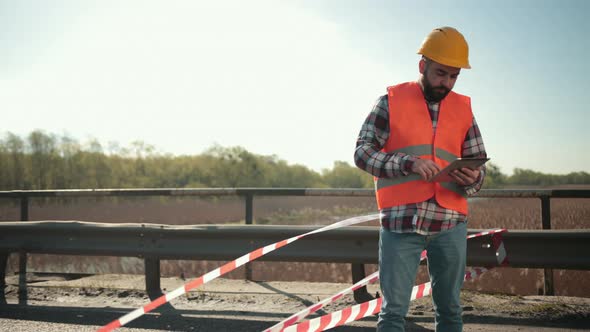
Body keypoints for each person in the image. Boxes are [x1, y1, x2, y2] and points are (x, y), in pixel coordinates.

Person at [354, 26, 487, 332]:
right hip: (403, 222)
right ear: (422, 66)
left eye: (454, 76)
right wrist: (407, 163)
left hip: (451, 223)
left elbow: (479, 171)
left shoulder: (464, 109)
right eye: (441, 74)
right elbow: (362, 153)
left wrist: (472, 177)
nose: (447, 83)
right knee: (393, 313)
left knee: (451, 310)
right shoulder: (390, 100)